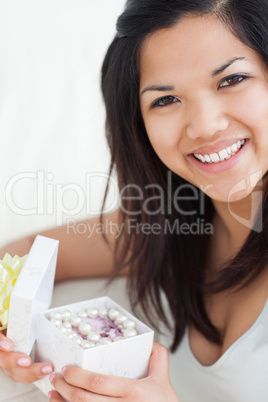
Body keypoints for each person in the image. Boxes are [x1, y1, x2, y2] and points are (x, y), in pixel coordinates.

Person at [1, 0, 268, 400]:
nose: (205, 126)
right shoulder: (172, 224)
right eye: (165, 100)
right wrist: (13, 328)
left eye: (231, 80)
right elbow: (25, 255)